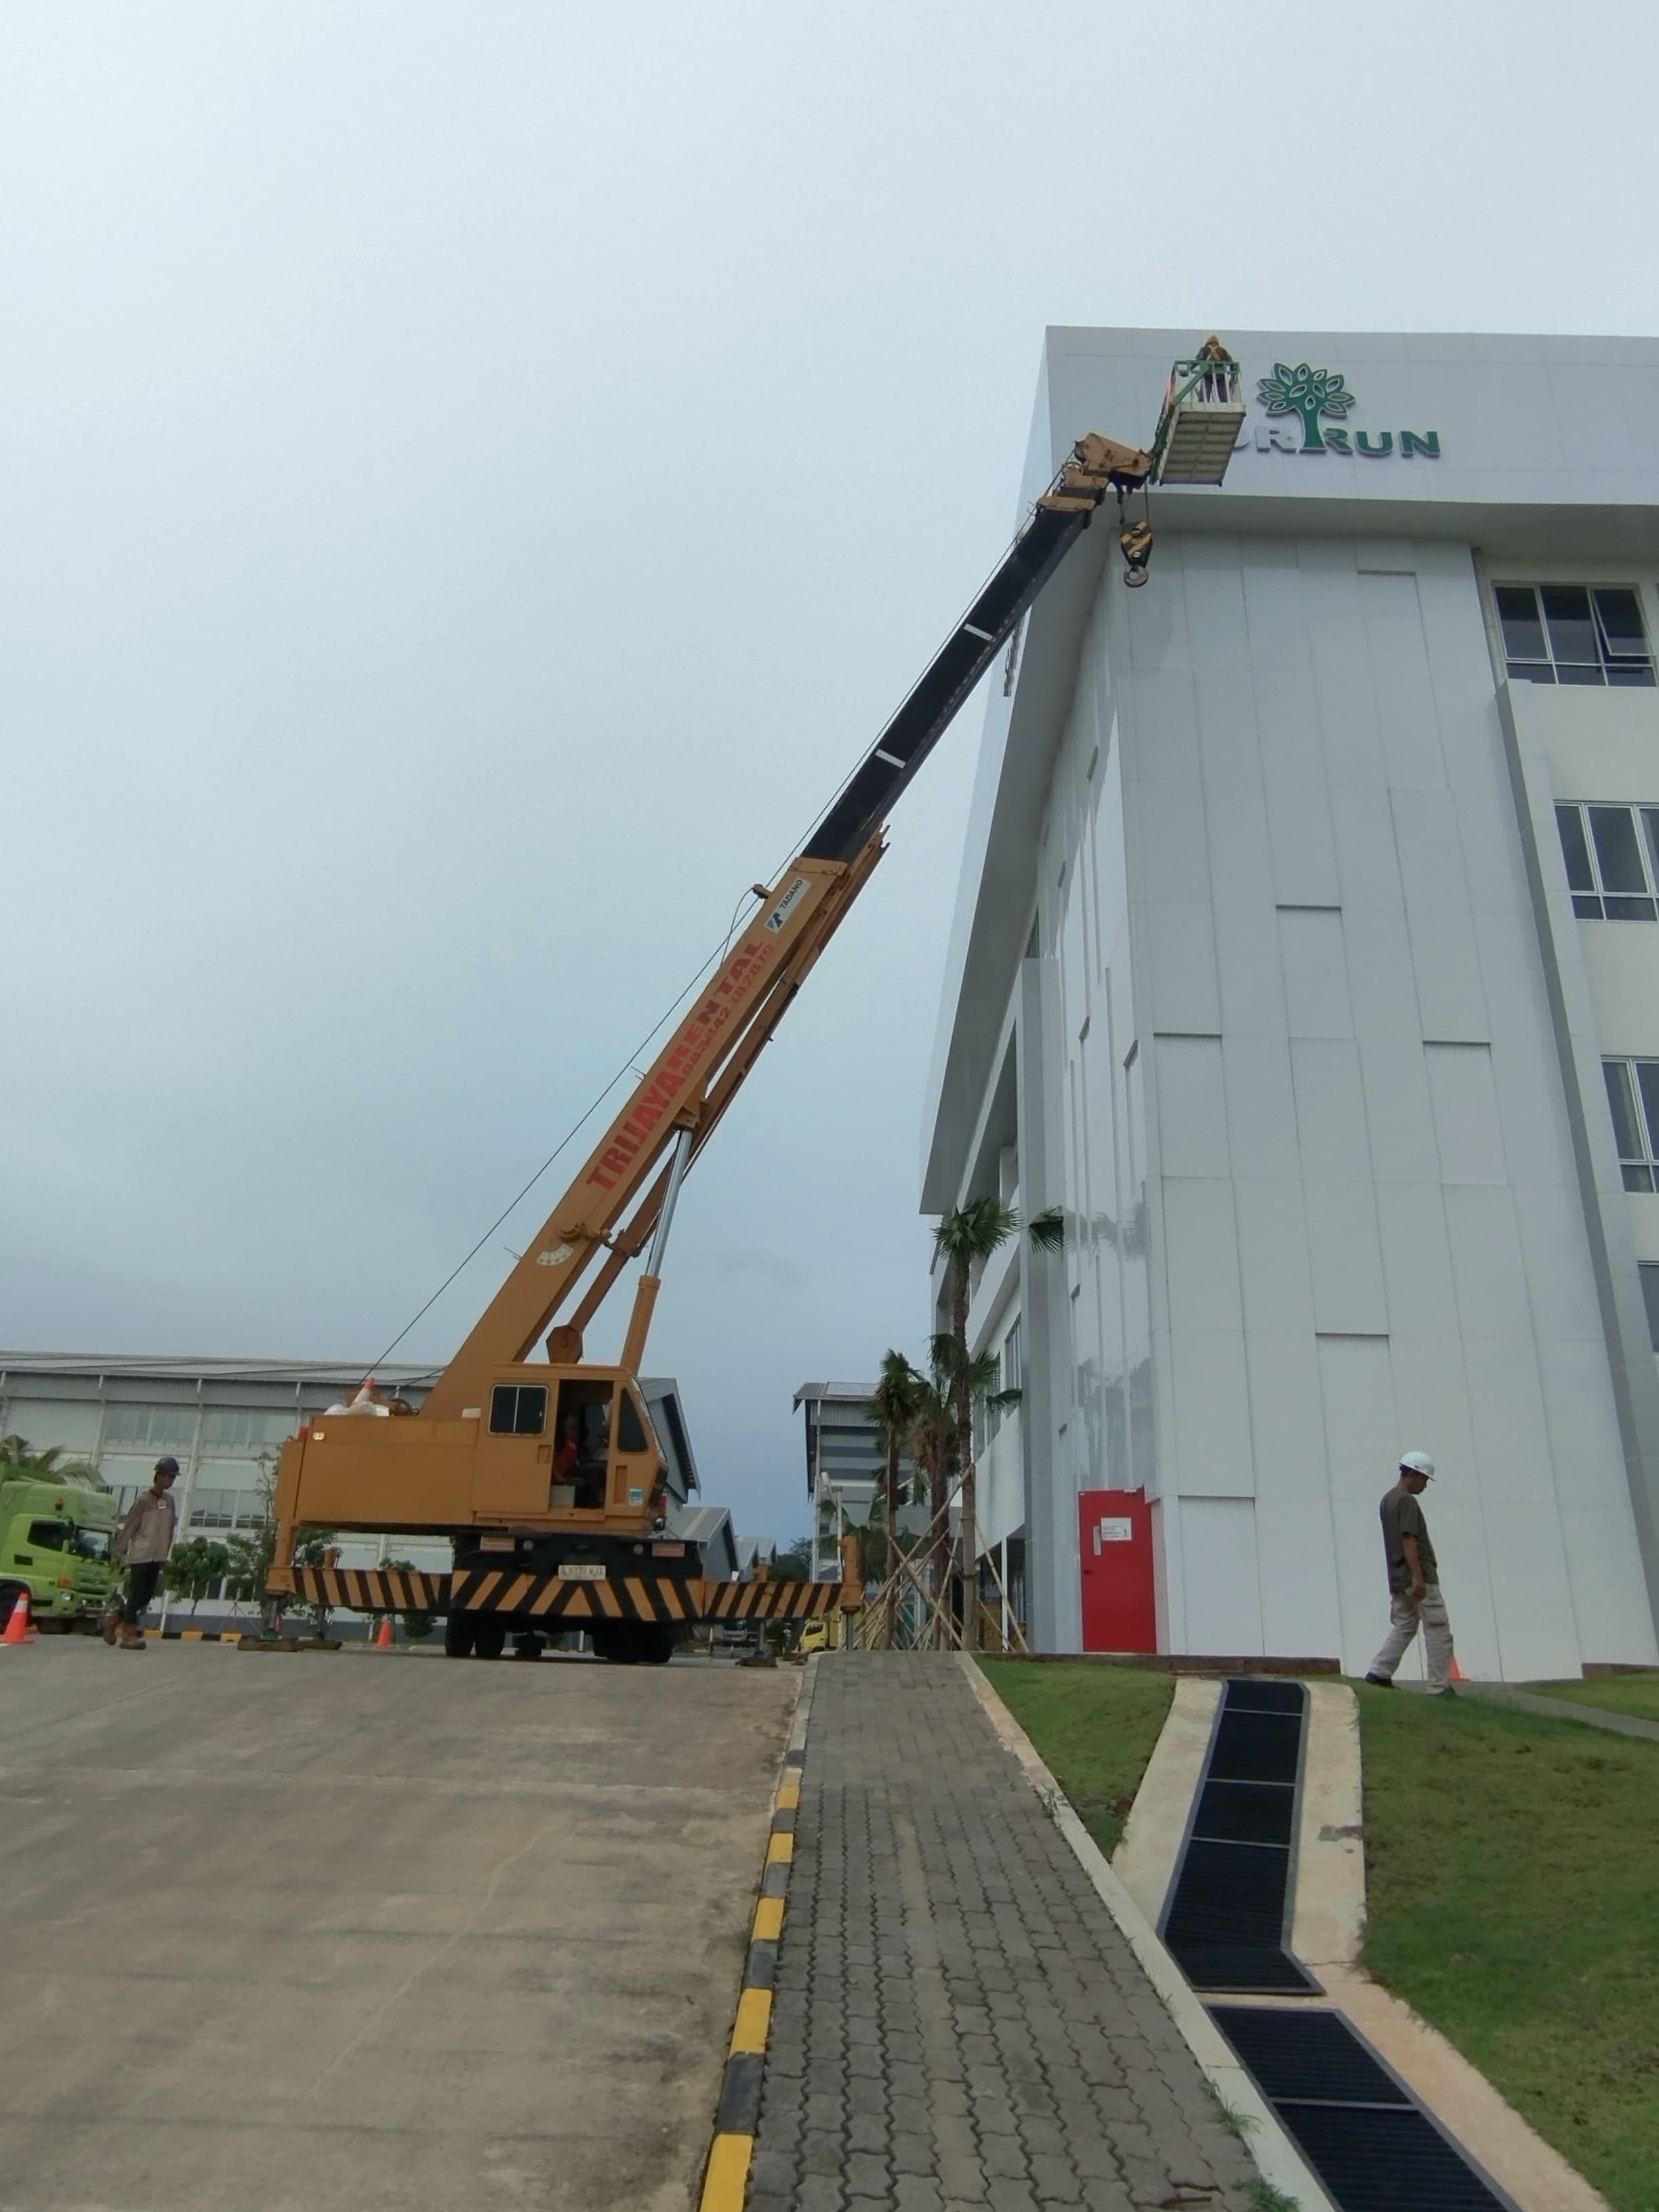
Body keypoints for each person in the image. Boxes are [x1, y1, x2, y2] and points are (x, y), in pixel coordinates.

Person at [1365, 1450, 1457, 1696]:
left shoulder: (1387, 1500)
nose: (1425, 1485)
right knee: (1438, 1628)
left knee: (1405, 1624)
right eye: (1424, 1479)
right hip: (1417, 1577)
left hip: (1397, 1577)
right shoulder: (1407, 1501)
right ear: (1413, 1475)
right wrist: (1419, 1577)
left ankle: (1379, 1672)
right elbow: (1409, 1539)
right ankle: (1439, 1687)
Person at [104, 1456, 180, 1650]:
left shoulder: (170, 1502)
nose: (171, 1481)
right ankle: (129, 1634)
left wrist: (165, 1554)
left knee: (146, 1596)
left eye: (173, 1477)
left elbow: (170, 1530)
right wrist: (117, 1553)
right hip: (141, 1554)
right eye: (168, 1476)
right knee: (137, 1594)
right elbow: (129, 1527)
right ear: (159, 1476)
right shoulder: (143, 1501)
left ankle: (114, 1618)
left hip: (157, 1556)